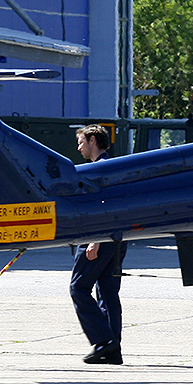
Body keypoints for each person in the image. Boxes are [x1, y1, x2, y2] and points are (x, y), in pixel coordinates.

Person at [72, 125, 126, 365]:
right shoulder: (112, 168)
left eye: (81, 142)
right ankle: (112, 350)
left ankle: (104, 341)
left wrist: (96, 239)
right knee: (107, 294)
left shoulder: (98, 170)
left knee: (79, 288)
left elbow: (107, 208)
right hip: (116, 240)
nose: (79, 147)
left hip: (100, 238)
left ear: (93, 140)